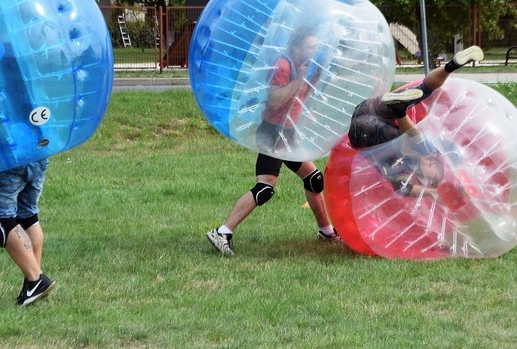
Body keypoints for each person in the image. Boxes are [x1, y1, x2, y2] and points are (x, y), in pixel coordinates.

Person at [206, 30, 338, 256]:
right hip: (273, 132)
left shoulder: (305, 66)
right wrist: (299, 79)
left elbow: (305, 95)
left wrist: (317, 74)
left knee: (314, 179)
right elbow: (276, 100)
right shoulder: (284, 66)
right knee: (265, 188)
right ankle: (222, 232)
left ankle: (326, 231)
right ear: (296, 47)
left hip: (287, 132)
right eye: (309, 47)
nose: (313, 51)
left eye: (315, 47)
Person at [348, 45, 484, 197]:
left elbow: (405, 189)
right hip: (368, 123)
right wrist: (451, 180)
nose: (432, 162)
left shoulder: (404, 167)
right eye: (434, 164)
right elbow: (449, 148)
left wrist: (437, 191)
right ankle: (400, 108)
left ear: (426, 180)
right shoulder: (412, 158)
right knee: (420, 139)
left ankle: (450, 67)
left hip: (365, 121)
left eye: (433, 174)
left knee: (423, 90)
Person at [0, 160, 55, 307]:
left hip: (9, 159)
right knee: (27, 216)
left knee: (1, 220)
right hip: (38, 156)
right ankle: (32, 285)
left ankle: (36, 279)